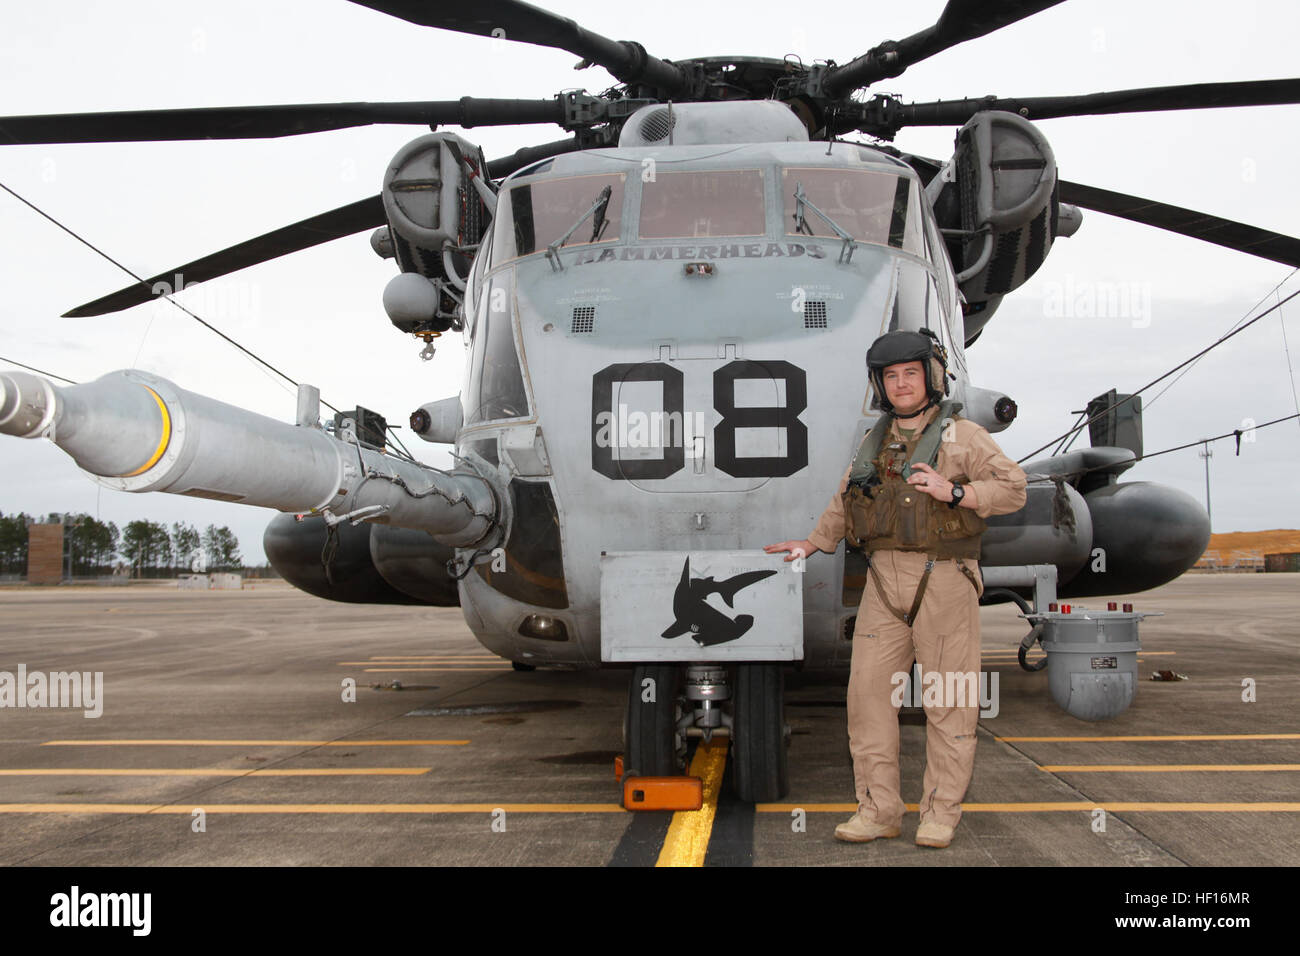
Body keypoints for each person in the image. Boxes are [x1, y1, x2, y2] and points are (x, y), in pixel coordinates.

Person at [764, 329, 1026, 848]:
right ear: (880, 385)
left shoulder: (964, 437)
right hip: (883, 583)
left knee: (949, 701)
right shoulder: (874, 440)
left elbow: (1014, 489)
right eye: (891, 376)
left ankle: (940, 812)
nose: (901, 384)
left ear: (929, 376)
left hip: (944, 578)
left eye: (910, 373)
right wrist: (813, 543)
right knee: (866, 700)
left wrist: (956, 491)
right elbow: (847, 499)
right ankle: (879, 810)